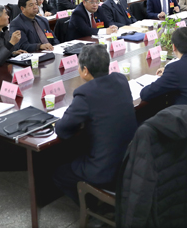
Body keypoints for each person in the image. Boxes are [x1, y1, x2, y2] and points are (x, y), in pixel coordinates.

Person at [53, 44, 137, 204]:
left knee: (59, 174)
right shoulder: (120, 79)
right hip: (129, 161)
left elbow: (62, 130)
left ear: (85, 70)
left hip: (103, 170)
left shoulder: (85, 93)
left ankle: (92, 208)